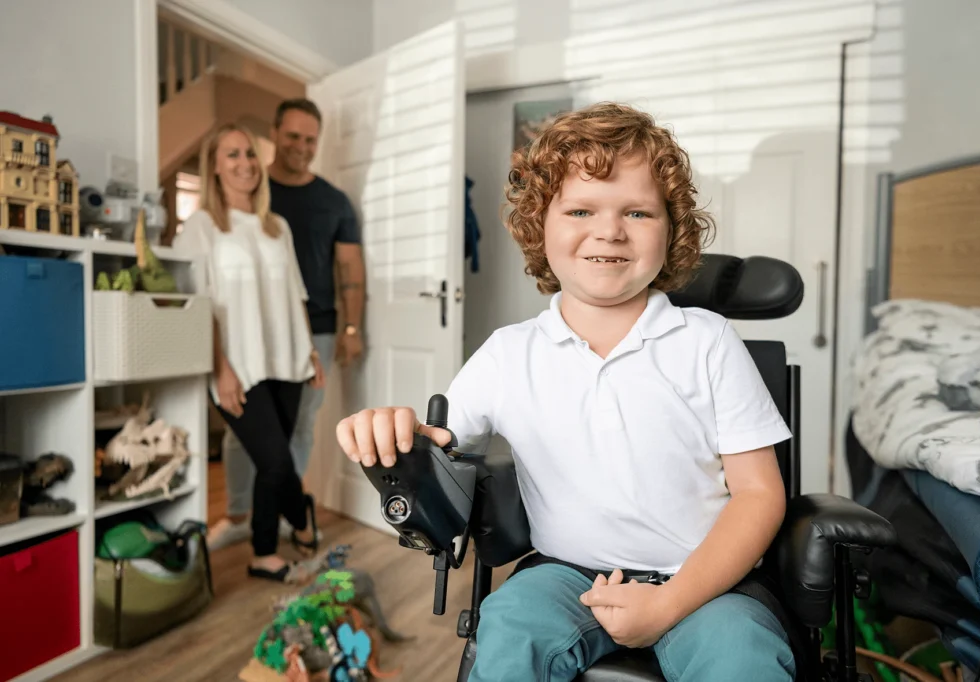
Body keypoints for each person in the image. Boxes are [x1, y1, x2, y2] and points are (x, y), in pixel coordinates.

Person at [334, 102, 797, 680]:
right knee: (508, 634)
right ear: (539, 225)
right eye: (580, 209)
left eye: (638, 212)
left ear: (671, 230)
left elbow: (759, 495)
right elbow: (437, 442)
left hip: (701, 581)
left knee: (743, 658)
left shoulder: (706, 341)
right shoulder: (509, 353)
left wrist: (669, 603)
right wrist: (392, 437)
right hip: (566, 575)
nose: (609, 230)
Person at [207, 99, 366, 551]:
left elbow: (350, 267)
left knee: (297, 430)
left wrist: (351, 328)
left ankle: (279, 514)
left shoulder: (331, 201)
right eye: (293, 136)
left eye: (310, 139)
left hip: (310, 329)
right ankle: (241, 514)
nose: (301, 146)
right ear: (275, 133)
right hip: (247, 335)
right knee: (246, 435)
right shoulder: (245, 197)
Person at [175, 123, 324, 582]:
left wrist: (310, 353)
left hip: (288, 358)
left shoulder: (275, 225)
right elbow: (198, 306)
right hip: (237, 365)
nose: (245, 164)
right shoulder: (202, 227)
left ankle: (266, 551)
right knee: (276, 460)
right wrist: (221, 369)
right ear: (215, 168)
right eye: (233, 156)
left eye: (249, 154)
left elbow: (295, 293)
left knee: (271, 463)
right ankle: (299, 519)